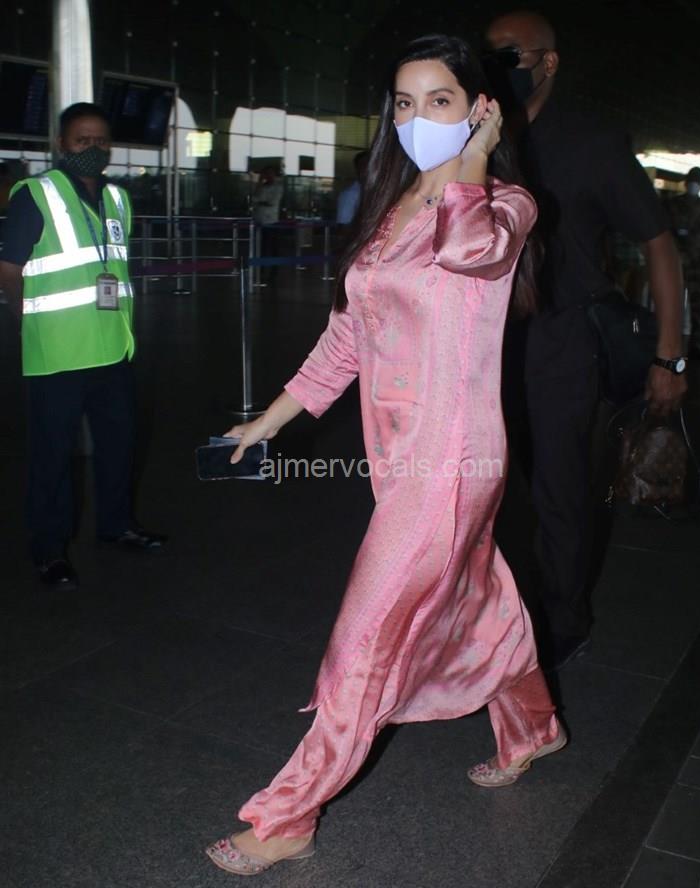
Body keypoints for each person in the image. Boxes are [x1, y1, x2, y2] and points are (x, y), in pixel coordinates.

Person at [205, 34, 562, 876]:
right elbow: (348, 337)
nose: (416, 118)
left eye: (440, 101)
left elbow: (468, 252)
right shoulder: (390, 207)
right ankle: (535, 726)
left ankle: (289, 814)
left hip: (453, 459)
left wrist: (474, 159)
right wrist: (270, 420)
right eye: (404, 103)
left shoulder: (506, 204)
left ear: (480, 109)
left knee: (363, 638)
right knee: (477, 597)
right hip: (395, 455)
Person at [485, 11, 687, 670]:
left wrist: (669, 354)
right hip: (482, 339)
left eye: (513, 55)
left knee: (559, 486)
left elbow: (658, 242)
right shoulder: (476, 136)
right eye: (490, 56)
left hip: (561, 339)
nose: (500, 68)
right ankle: (498, 609)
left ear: (549, 63)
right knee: (487, 484)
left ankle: (563, 619)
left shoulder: (591, 143)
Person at [0, 102, 166, 591]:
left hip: (112, 348)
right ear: (61, 145)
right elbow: (8, 270)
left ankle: (117, 526)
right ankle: (48, 550)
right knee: (52, 456)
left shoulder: (118, 199)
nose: (92, 148)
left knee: (119, 444)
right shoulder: (36, 194)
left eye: (100, 141)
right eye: (81, 140)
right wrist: (28, 322)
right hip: (57, 353)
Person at [667, 167, 700, 360]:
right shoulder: (675, 205)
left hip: (691, 264)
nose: (694, 185)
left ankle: (692, 345)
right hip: (685, 263)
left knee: (695, 307)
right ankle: (675, 346)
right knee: (678, 306)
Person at [252, 166, 284, 283]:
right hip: (259, 221)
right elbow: (254, 199)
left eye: (271, 173)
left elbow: (272, 202)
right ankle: (261, 270)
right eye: (266, 174)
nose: (268, 176)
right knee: (261, 247)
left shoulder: (278, 187)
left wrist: (260, 202)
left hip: (272, 222)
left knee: (272, 248)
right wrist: (259, 184)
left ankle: (273, 272)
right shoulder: (261, 187)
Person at [335, 151, 369, 226]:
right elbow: (343, 227)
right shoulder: (349, 194)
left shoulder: (374, 191)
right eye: (364, 166)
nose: (368, 169)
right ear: (358, 170)